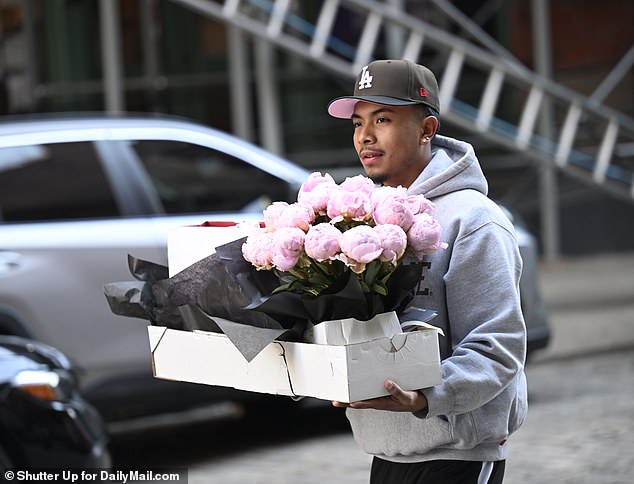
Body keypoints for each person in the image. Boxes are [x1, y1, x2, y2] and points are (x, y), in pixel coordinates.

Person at [327, 59, 528, 484]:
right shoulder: (360, 222)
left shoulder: (473, 221)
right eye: (358, 122)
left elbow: (499, 347)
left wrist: (425, 397)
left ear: (427, 129)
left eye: (383, 118)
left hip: (458, 455)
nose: (365, 135)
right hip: (387, 451)